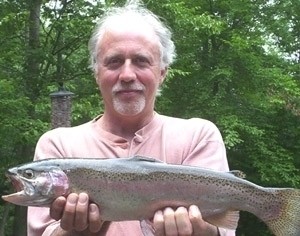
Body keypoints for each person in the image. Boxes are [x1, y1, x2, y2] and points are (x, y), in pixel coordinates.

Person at [27, 1, 237, 235]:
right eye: (114, 62)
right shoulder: (57, 145)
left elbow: (224, 227)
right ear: (97, 73)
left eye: (141, 61)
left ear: (162, 73)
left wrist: (201, 232)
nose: (127, 75)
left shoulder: (199, 136)